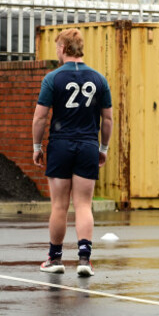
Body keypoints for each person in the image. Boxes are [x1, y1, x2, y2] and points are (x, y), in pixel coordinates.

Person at [32, 28, 113, 276]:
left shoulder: (53, 78)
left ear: (64, 48)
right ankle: (85, 261)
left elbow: (40, 117)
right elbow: (107, 119)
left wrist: (37, 146)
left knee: (59, 205)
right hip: (88, 145)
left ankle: (55, 259)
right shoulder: (99, 79)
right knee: (83, 205)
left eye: (57, 47)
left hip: (61, 145)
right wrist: (103, 148)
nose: (56, 51)